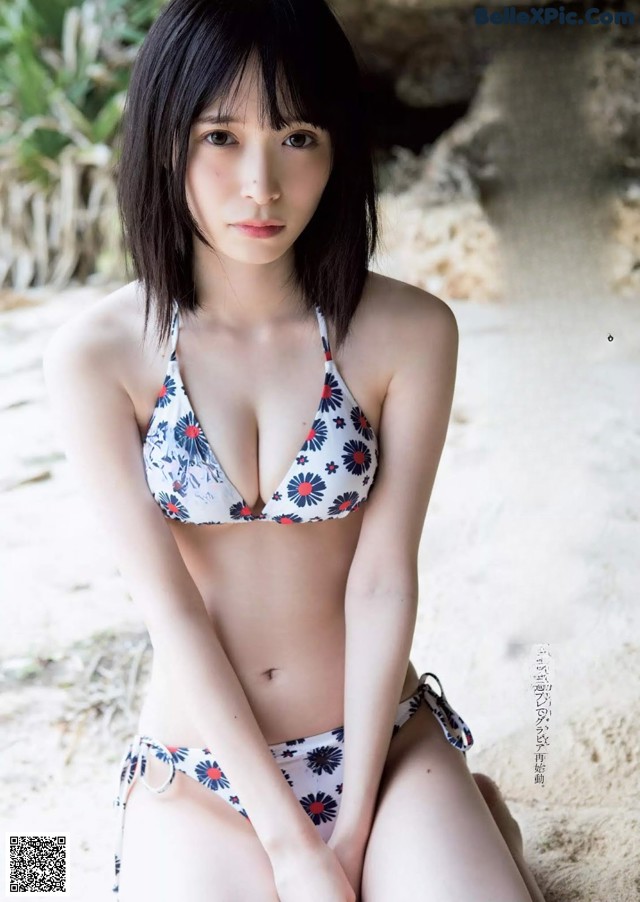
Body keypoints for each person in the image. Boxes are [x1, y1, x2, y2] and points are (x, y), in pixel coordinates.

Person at [42, 0, 546, 899]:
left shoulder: (409, 331)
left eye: (299, 137)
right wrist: (290, 849)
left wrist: (351, 831)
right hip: (204, 776)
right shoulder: (98, 355)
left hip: (383, 752)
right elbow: (172, 608)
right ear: (166, 141)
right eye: (221, 138)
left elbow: (384, 577)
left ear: (338, 148)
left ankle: (462, 816)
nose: (261, 185)